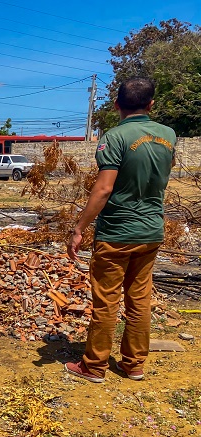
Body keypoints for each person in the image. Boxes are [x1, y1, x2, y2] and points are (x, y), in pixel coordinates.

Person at [65, 77, 176, 383]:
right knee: (139, 300)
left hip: (117, 233)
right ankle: (134, 365)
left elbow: (103, 189)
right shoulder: (168, 135)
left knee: (106, 300)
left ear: (116, 105)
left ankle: (94, 366)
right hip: (151, 232)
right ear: (151, 104)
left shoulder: (114, 137)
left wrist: (79, 228)